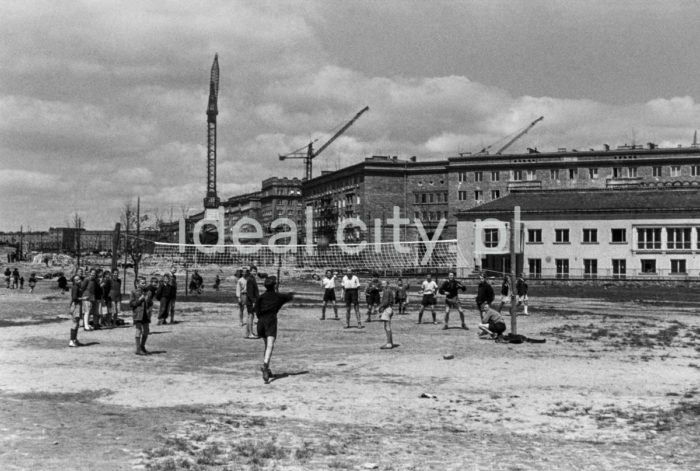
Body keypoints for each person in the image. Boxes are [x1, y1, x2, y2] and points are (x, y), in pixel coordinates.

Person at [254, 276, 294, 384]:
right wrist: (291, 292)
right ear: (275, 285)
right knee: (270, 345)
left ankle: (267, 366)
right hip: (270, 320)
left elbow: (256, 311)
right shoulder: (278, 297)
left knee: (267, 346)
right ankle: (265, 366)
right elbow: (289, 297)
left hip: (260, 322)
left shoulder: (261, 297)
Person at [130, 276, 154, 355]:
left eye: (145, 283)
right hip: (138, 314)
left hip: (146, 314)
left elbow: (151, 303)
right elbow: (131, 303)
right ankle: (138, 349)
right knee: (138, 330)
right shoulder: (133, 292)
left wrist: (148, 300)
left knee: (146, 330)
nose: (144, 284)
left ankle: (142, 346)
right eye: (142, 283)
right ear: (137, 284)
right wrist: (140, 299)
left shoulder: (148, 292)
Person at [377, 280, 397, 349]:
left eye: (384, 283)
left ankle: (389, 344)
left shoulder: (386, 291)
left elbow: (386, 301)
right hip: (389, 308)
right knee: (387, 326)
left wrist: (380, 307)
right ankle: (390, 342)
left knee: (387, 326)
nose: (382, 285)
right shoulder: (389, 290)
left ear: (387, 284)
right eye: (382, 284)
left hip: (387, 309)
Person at [68, 275, 84, 347]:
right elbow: (74, 298)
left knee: (77, 323)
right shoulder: (75, 287)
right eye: (76, 280)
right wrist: (83, 298)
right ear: (74, 281)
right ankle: (71, 341)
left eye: (79, 279)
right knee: (75, 323)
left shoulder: (78, 287)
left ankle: (75, 339)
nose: (78, 281)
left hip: (78, 305)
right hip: (76, 305)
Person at [245, 266, 260, 339]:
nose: (255, 272)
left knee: (250, 316)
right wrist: (253, 301)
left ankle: (248, 333)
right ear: (250, 271)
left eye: (256, 271)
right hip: (250, 301)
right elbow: (250, 292)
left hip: (251, 301)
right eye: (253, 271)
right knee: (250, 317)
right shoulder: (250, 279)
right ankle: (250, 333)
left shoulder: (252, 278)